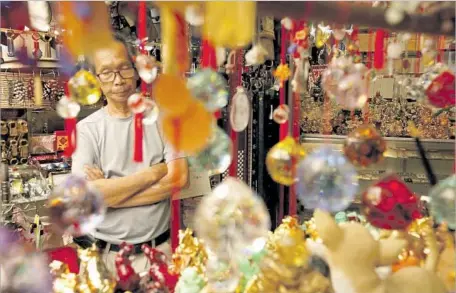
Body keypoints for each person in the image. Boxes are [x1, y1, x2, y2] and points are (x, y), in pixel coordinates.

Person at [71, 35, 189, 274]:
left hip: (158, 255)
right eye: (106, 72)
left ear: (136, 70)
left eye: (124, 68)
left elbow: (178, 179)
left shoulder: (166, 120)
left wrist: (110, 194)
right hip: (104, 259)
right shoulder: (87, 129)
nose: (118, 80)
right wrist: (155, 172)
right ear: (96, 80)